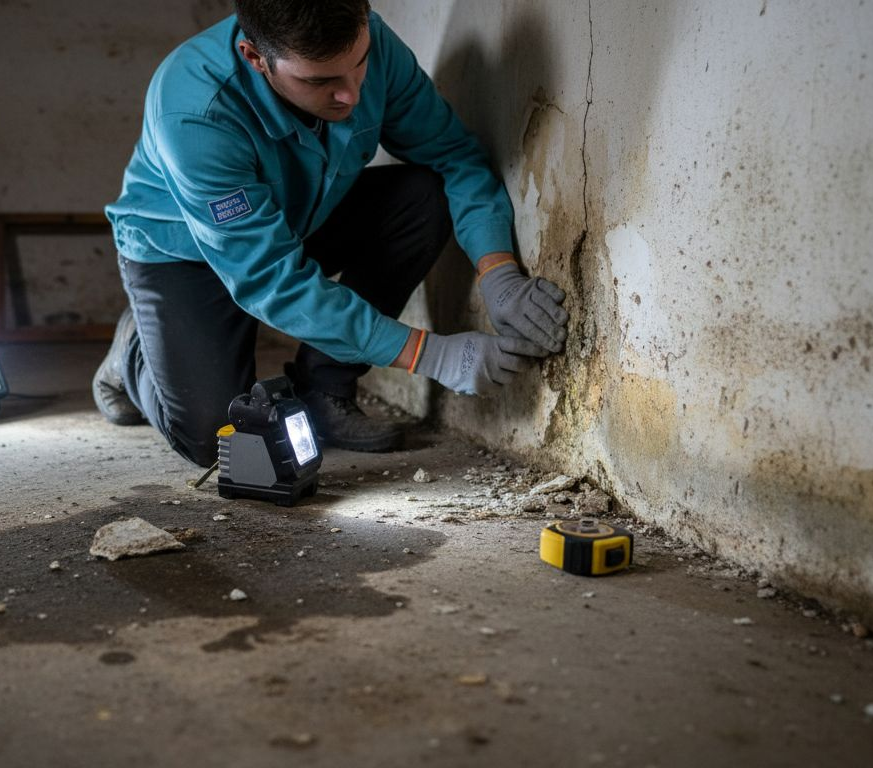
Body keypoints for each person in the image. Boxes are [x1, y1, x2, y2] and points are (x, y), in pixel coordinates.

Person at [95, 0, 569, 468]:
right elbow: (270, 279)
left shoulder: (371, 41)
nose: (352, 95)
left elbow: (454, 158)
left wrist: (498, 270)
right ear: (254, 57)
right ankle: (134, 351)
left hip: (299, 220)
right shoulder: (195, 111)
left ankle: (326, 386)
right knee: (215, 441)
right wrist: (429, 354)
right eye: (319, 81)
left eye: (358, 65)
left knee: (423, 195)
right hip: (182, 253)